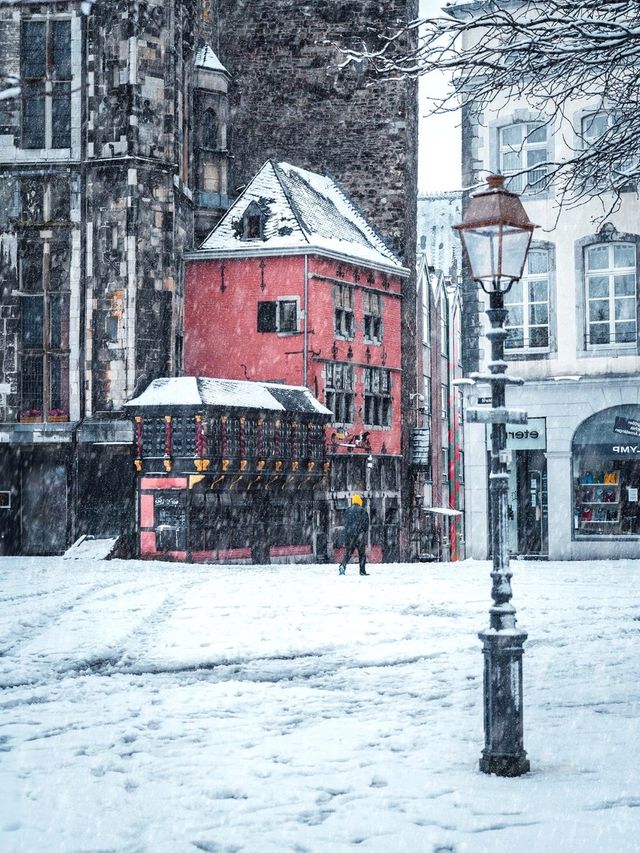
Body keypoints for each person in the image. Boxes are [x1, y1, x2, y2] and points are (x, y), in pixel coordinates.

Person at [339, 494, 370, 576]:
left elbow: (345, 523)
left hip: (349, 535)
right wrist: (363, 531)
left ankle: (342, 565)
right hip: (359, 535)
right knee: (362, 553)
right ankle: (362, 571)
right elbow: (366, 524)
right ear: (359, 501)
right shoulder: (362, 510)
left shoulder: (347, 510)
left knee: (349, 552)